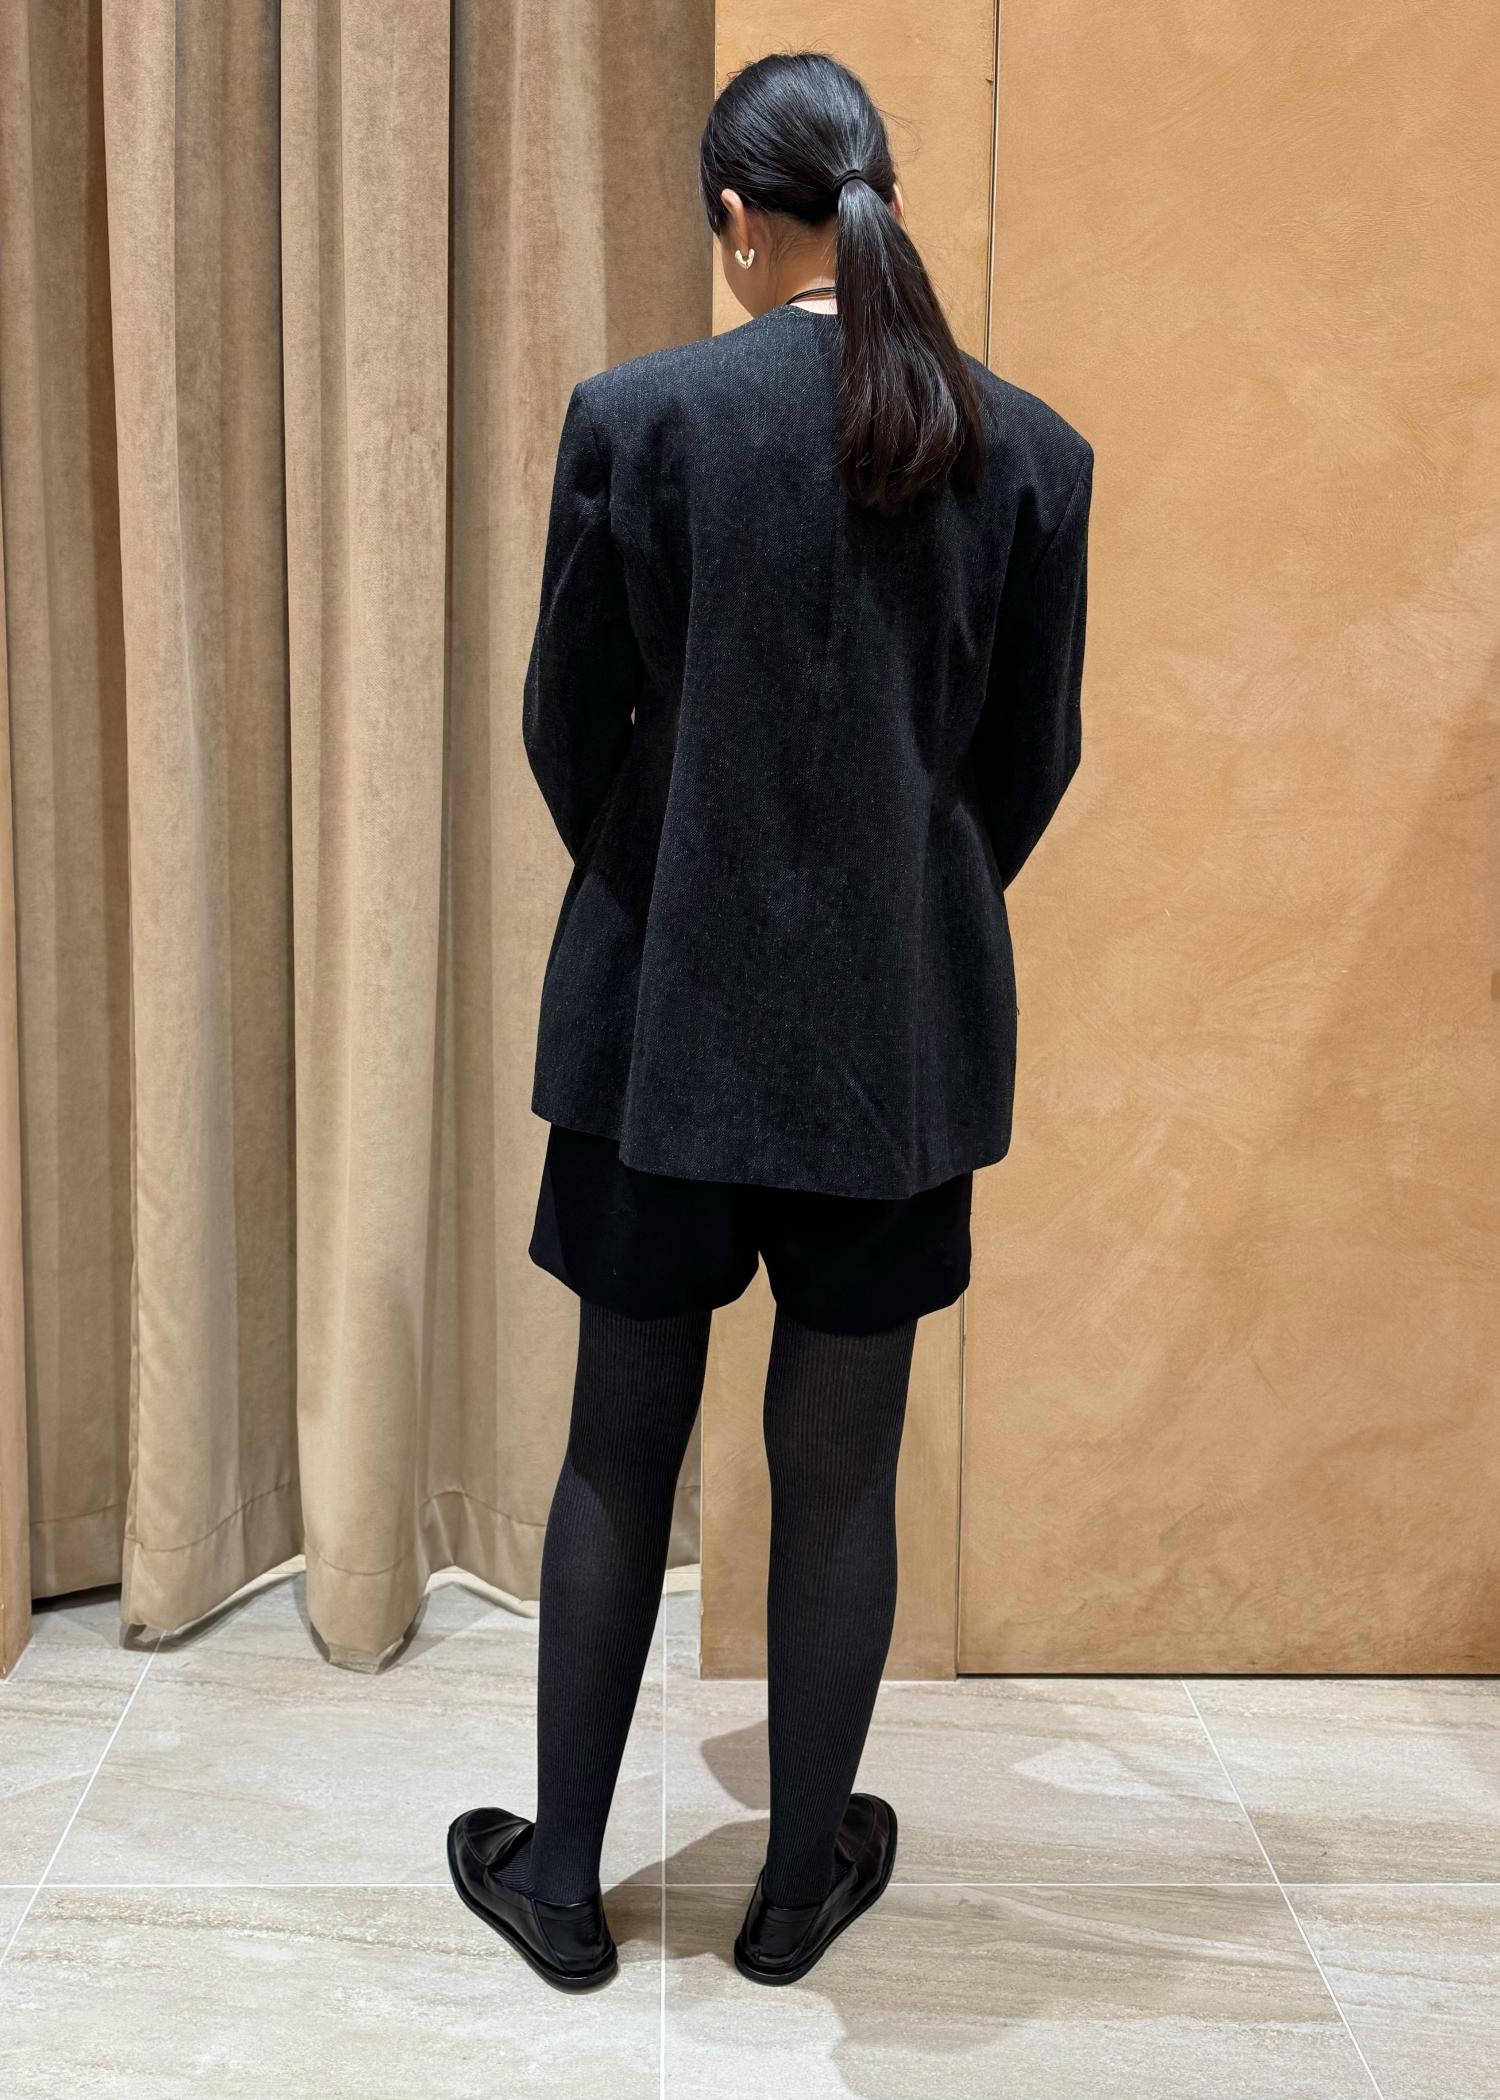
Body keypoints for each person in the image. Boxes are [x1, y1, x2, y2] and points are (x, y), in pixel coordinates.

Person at [446, 49, 1093, 1992]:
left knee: (616, 1452)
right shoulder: (1030, 451)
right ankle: (799, 1887)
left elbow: (570, 723)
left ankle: (564, 1886)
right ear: (875, 200)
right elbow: (1025, 769)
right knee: (839, 1472)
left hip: (663, 1029)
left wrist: (672, 882)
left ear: (738, 221)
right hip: (891, 1054)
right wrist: (893, 915)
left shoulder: (640, 418)